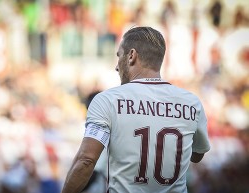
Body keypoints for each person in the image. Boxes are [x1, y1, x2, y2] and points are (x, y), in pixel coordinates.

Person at [61, 26, 211, 193]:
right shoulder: (191, 103)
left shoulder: (108, 100)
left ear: (131, 56)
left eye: (119, 56)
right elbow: (197, 154)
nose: (116, 67)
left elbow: (86, 160)